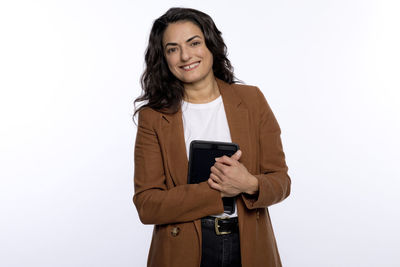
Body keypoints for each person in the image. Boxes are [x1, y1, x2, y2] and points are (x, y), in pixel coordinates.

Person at [133, 7, 291, 267]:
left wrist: (249, 183)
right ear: (164, 57)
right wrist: (217, 192)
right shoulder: (153, 117)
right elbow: (147, 204)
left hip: (249, 245)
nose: (185, 56)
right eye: (172, 48)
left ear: (211, 45)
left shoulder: (252, 100)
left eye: (194, 43)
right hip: (182, 249)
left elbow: (281, 182)